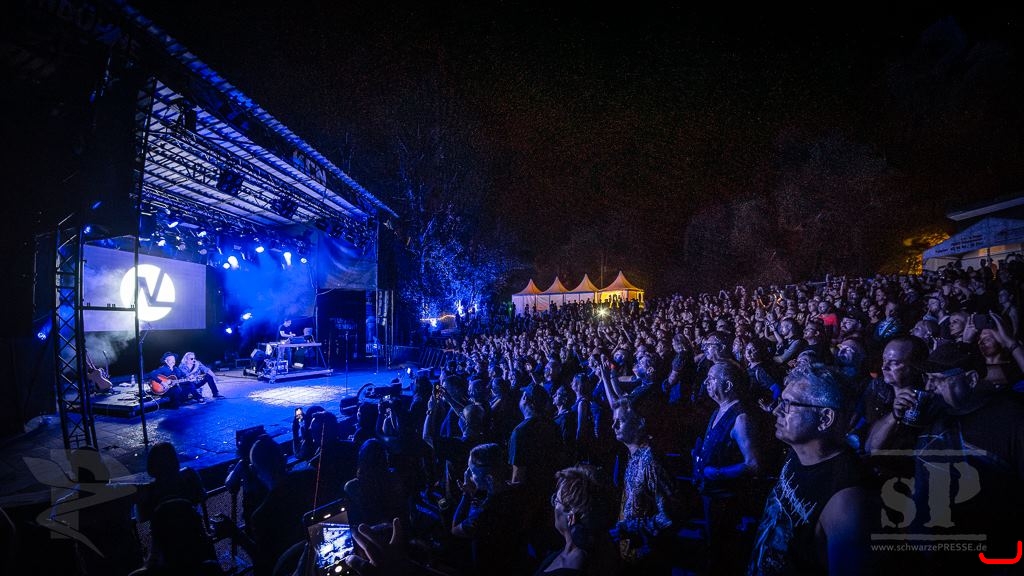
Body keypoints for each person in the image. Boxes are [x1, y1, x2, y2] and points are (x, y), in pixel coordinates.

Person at [898, 342, 1024, 572]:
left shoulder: (1011, 419)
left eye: (939, 379)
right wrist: (896, 417)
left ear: (972, 379)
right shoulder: (933, 411)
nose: (930, 387)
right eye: (927, 378)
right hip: (931, 555)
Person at [748, 364, 878, 576]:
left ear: (825, 418)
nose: (777, 410)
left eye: (788, 404)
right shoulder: (797, 452)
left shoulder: (847, 501)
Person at [608, 398, 679, 575]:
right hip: (632, 554)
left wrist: (630, 527)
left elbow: (670, 516)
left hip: (649, 557)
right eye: (614, 421)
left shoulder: (650, 461)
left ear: (639, 424)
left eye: (621, 421)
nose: (614, 426)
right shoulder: (633, 456)